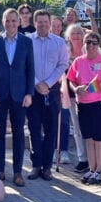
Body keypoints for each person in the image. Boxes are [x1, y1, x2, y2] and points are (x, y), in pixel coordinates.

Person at [0, 8, 34, 186]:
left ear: (19, 22)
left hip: (19, 94)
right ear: (3, 22)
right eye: (8, 21)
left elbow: (30, 70)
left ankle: (18, 172)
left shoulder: (26, 43)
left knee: (19, 133)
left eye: (14, 21)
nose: (11, 24)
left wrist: (29, 93)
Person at [66, 30, 101, 185]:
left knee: (99, 139)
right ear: (84, 44)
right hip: (83, 105)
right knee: (89, 139)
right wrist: (75, 89)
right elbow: (71, 80)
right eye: (88, 42)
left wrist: (88, 89)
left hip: (100, 104)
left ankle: (99, 170)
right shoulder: (78, 61)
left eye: (94, 42)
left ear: (98, 44)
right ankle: (92, 169)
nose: (91, 45)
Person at [26, 10, 69, 181]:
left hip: (51, 92)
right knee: (34, 129)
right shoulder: (27, 41)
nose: (43, 25)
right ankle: (36, 165)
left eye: (46, 22)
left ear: (50, 23)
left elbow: (63, 64)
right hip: (33, 91)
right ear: (35, 23)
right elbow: (25, 64)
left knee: (51, 130)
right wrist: (37, 83)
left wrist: (48, 83)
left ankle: (47, 167)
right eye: (40, 22)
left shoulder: (59, 43)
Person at [61, 23, 90, 173]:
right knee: (77, 128)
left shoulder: (87, 51)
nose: (76, 36)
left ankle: (92, 158)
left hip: (88, 95)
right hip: (71, 95)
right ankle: (82, 158)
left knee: (88, 126)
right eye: (73, 34)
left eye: (79, 33)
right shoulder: (65, 53)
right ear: (68, 37)